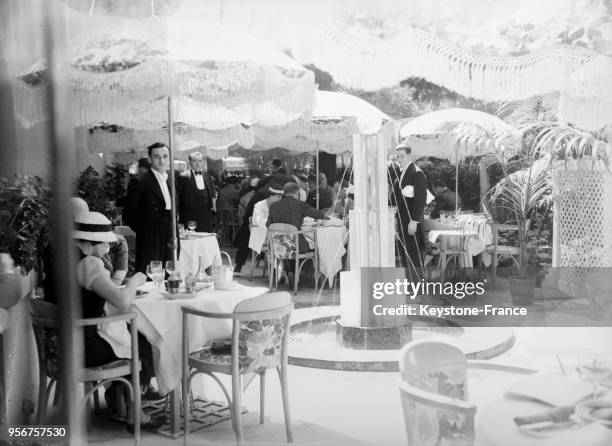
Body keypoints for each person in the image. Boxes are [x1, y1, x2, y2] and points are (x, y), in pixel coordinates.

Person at [72, 211, 164, 428]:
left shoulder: (66, 259)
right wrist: (135, 281)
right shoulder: (90, 264)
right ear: (92, 243)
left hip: (68, 339)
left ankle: (118, 394)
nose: (108, 248)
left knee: (133, 335)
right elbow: (122, 301)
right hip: (86, 345)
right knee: (144, 340)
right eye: (106, 243)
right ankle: (135, 412)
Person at [124, 142, 177, 273]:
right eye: (157, 156)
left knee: (169, 275)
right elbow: (128, 215)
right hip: (150, 237)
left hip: (170, 234)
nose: (161, 160)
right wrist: (146, 231)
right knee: (150, 277)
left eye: (165, 156)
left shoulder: (172, 179)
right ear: (149, 159)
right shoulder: (140, 181)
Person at [267, 182, 329, 286]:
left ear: (285, 193)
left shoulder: (274, 206)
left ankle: (289, 272)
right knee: (316, 246)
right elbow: (317, 214)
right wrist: (326, 216)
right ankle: (298, 274)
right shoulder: (300, 205)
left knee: (288, 246)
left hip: (278, 245)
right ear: (296, 193)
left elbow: (268, 224)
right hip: (296, 245)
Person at [392, 143, 427, 277]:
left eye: (402, 156)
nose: (399, 159)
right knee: (406, 252)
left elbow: (420, 199)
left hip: (412, 221)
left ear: (409, 156)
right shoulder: (404, 172)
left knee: (414, 253)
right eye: (397, 157)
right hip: (403, 220)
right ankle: (410, 282)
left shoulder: (417, 173)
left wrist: (414, 220)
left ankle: (418, 285)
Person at [176, 151, 215, 233]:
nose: (198, 164)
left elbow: (212, 193)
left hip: (206, 216)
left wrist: (214, 207)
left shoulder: (208, 176)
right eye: (194, 161)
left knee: (205, 240)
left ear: (203, 162)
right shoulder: (183, 176)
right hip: (189, 216)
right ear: (189, 162)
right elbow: (177, 197)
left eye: (200, 161)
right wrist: (177, 214)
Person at [249, 183, 284, 255]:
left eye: (281, 197)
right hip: (261, 235)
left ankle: (281, 263)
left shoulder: (278, 205)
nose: (280, 199)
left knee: (291, 240)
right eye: (278, 196)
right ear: (271, 196)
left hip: (274, 233)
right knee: (285, 241)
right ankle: (277, 263)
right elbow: (259, 222)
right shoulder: (259, 206)